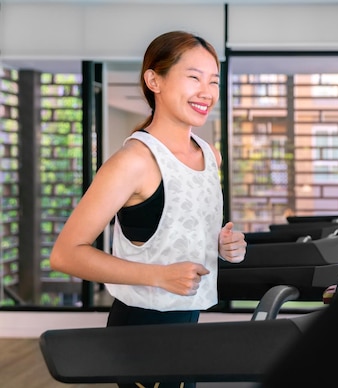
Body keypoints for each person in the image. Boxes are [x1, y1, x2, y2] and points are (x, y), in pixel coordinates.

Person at [50, 30, 247, 388]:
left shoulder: (209, 155)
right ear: (154, 80)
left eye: (213, 81)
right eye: (193, 77)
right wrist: (158, 275)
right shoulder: (133, 162)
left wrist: (222, 245)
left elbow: (173, 232)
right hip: (142, 329)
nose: (207, 91)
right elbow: (65, 255)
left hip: (188, 322)